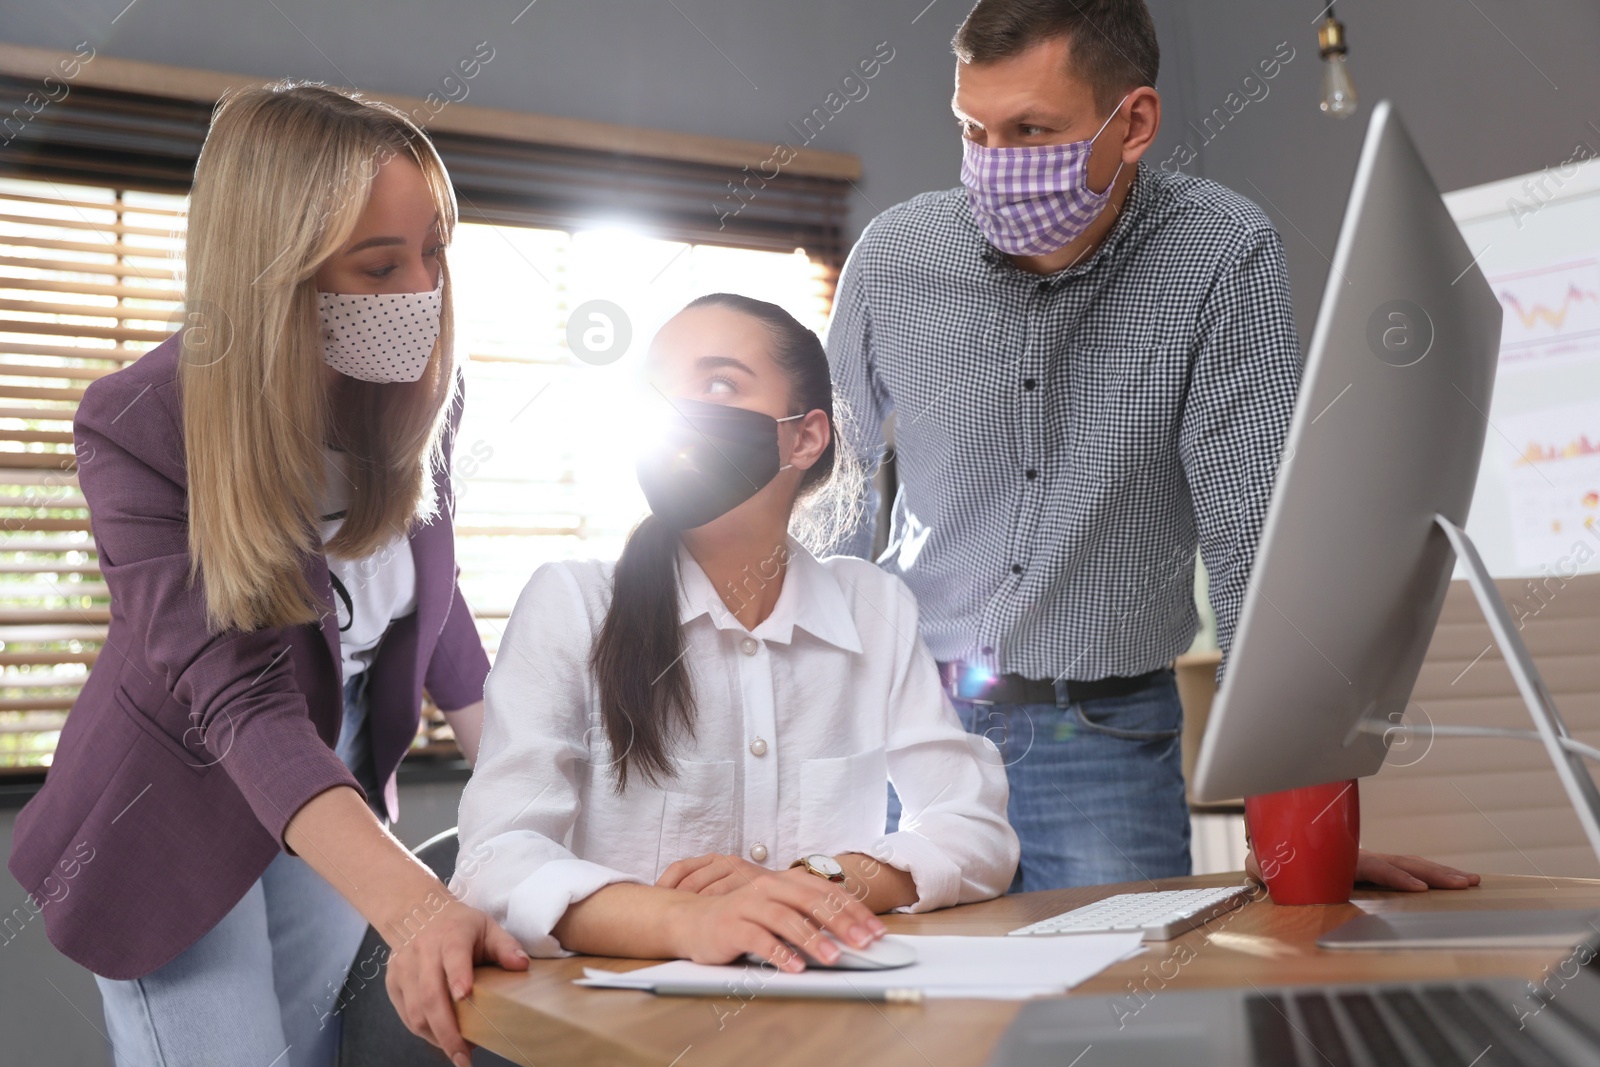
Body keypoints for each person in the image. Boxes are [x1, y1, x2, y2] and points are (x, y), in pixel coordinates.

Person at [826, 0, 1479, 895]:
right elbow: (833, 496)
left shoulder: (1220, 253)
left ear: (1132, 122)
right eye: (973, 131)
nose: (994, 166)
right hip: (914, 728)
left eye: (1031, 130)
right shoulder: (893, 258)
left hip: (1105, 736)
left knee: (1115, 1020)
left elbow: (1255, 536)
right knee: (927, 1026)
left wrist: (1293, 819)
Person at [5, 84, 526, 1067]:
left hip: (332, 775)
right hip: (171, 794)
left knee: (321, 1049)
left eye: (436, 250)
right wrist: (418, 908)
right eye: (380, 264)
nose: (421, 290)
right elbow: (242, 699)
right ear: (274, 271)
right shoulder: (141, 423)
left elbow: (432, 599)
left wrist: (534, 792)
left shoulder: (424, 400)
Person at [450, 293, 1019, 969]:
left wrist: (813, 881)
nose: (678, 410)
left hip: (822, 1009)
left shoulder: (873, 606)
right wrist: (688, 919)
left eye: (719, 383)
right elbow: (493, 861)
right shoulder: (572, 602)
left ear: (805, 437)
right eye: (658, 391)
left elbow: (977, 830)